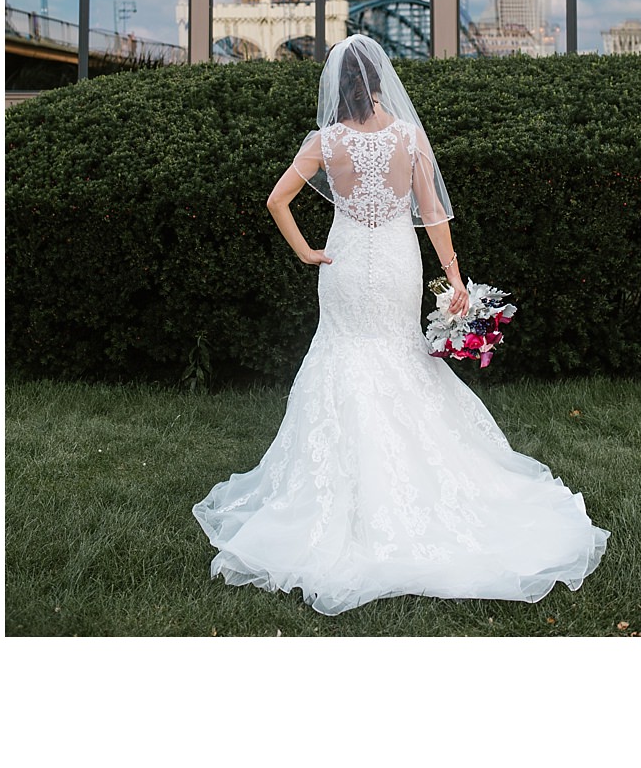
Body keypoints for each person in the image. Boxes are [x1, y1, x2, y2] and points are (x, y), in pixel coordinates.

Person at [193, 34, 608, 616]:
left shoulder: (324, 140)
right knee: (397, 352)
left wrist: (307, 253)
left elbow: (276, 201)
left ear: (337, 87)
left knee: (342, 352)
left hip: (342, 259)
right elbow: (432, 212)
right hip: (394, 261)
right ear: (382, 81)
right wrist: (455, 277)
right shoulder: (409, 137)